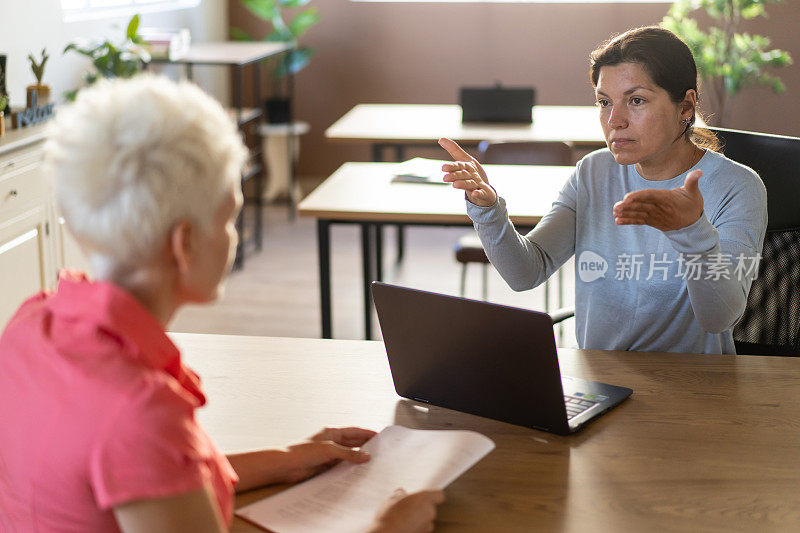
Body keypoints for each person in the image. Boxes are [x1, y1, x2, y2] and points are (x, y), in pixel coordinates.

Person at [0, 75, 443, 533]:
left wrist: (286, 459)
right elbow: (139, 446)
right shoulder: (141, 409)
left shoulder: (29, 324)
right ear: (184, 243)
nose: (233, 234)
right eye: (230, 216)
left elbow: (137, 474)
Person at [439, 26, 767, 355]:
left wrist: (691, 230)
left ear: (685, 107)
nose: (614, 120)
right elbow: (527, 271)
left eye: (636, 101)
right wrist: (488, 209)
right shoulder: (593, 172)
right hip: (600, 381)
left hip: (691, 386)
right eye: (604, 102)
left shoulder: (737, 187)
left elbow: (719, 319)